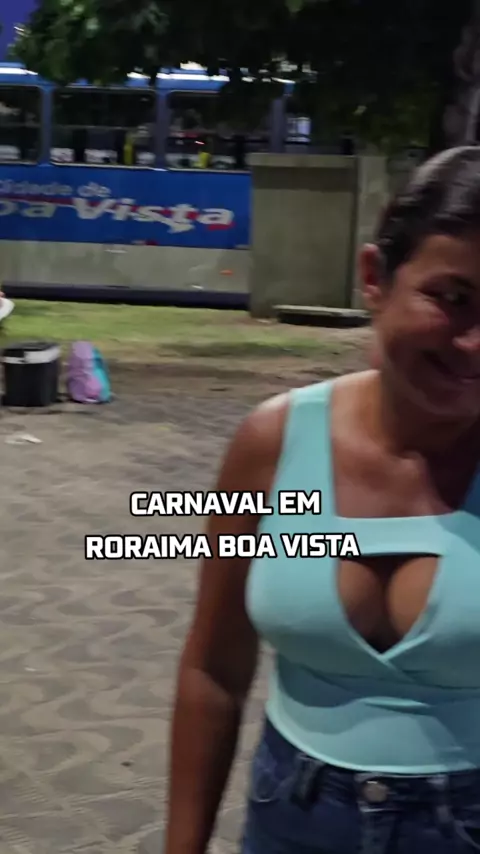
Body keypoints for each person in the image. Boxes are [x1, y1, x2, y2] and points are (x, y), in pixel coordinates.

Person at [164, 145, 480, 854]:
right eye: (452, 297)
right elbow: (214, 670)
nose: (474, 343)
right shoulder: (275, 443)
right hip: (292, 823)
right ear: (375, 278)